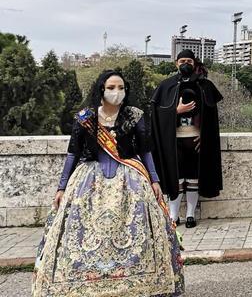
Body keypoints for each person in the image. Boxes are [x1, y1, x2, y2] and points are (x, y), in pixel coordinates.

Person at [33, 70, 184, 296]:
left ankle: (140, 283)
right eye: (111, 88)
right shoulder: (85, 117)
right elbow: (73, 154)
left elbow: (145, 150)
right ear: (101, 89)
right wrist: (62, 187)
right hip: (89, 181)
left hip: (131, 180)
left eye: (121, 88)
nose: (117, 92)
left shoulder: (134, 115)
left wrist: (155, 180)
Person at [150, 50, 223, 228]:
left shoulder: (205, 85)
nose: (185, 64)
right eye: (182, 60)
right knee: (176, 179)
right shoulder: (166, 86)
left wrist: (204, 136)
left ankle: (190, 214)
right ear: (176, 63)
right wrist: (176, 111)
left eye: (189, 61)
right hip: (174, 142)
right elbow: (155, 115)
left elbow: (211, 119)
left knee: (193, 179)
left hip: (196, 142)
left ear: (194, 62)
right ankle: (173, 216)